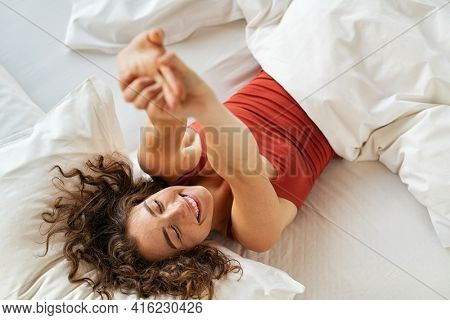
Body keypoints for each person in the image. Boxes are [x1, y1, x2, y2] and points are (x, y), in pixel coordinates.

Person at [40, 29, 335, 299]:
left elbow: (166, 135)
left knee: (155, 157)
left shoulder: (170, 165)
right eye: (174, 233)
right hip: (342, 105)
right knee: (237, 166)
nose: (179, 209)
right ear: (191, 253)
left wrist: (160, 95)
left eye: (157, 206)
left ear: (145, 196)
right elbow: (243, 169)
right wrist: (203, 105)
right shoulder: (254, 232)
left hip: (294, 56)